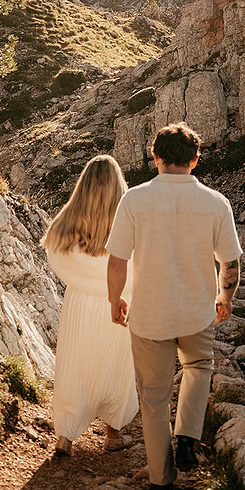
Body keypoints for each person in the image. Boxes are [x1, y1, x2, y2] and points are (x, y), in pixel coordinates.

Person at [106, 122, 242, 490]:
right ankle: (187, 435)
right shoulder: (216, 203)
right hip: (197, 311)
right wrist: (225, 297)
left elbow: (117, 259)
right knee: (199, 367)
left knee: (153, 396)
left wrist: (115, 298)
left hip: (148, 314)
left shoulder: (134, 200)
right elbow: (229, 261)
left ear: (155, 158)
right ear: (196, 160)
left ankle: (160, 482)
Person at [43, 155, 139, 456]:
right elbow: (143, 261)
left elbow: (54, 254)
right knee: (117, 366)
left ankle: (66, 437)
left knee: (76, 366)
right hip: (119, 300)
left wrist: (81, 279)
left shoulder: (70, 217)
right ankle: (113, 434)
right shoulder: (129, 215)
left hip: (80, 301)